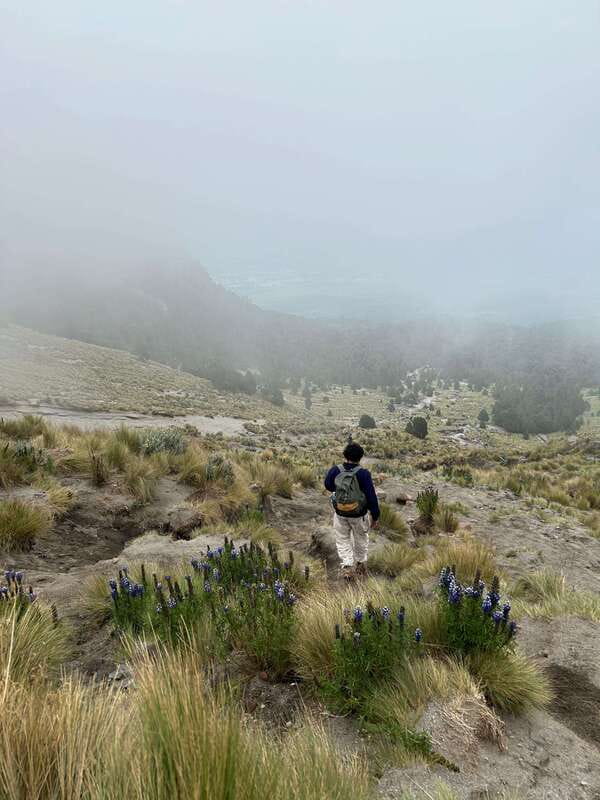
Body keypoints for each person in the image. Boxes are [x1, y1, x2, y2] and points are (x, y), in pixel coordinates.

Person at [324, 442, 380, 579]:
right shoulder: (363, 474)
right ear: (360, 457)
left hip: (340, 512)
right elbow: (371, 496)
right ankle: (360, 564)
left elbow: (328, 485)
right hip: (359, 514)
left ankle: (347, 567)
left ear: (345, 455)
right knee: (361, 538)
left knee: (342, 539)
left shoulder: (335, 470)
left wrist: (341, 491)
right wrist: (375, 515)